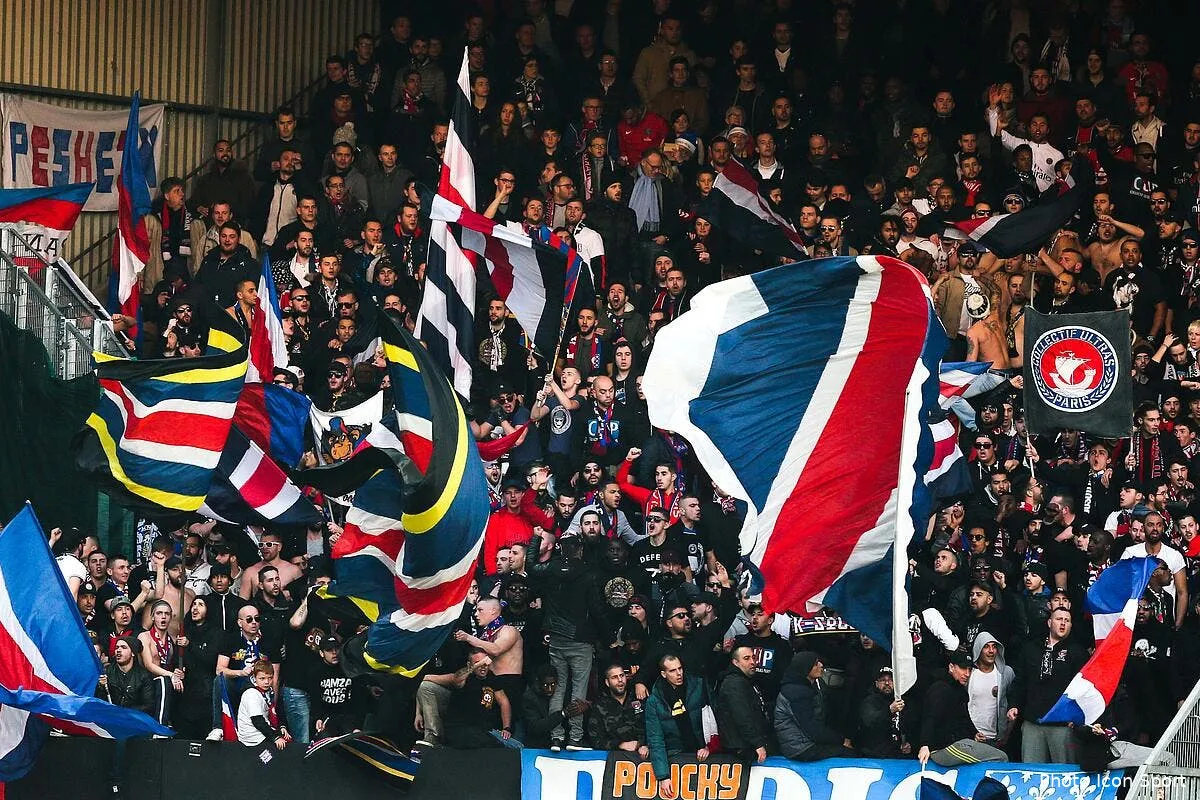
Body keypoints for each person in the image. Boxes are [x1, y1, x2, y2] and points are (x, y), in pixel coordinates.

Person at [645, 655, 709, 797]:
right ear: (663, 674)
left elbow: (713, 717)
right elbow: (655, 739)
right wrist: (663, 776)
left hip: (701, 752)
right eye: (673, 671)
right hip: (674, 754)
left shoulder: (698, 685)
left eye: (680, 668)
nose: (679, 673)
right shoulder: (654, 701)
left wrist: (709, 746)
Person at [774, 651, 855, 761]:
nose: (821, 665)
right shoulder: (796, 693)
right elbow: (812, 729)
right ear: (805, 668)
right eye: (816, 663)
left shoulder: (807, 686)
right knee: (849, 753)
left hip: (804, 742)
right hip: (800, 748)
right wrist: (841, 740)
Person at [715, 646, 770, 764]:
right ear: (736, 662)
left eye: (753, 658)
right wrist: (757, 744)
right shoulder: (734, 683)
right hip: (741, 750)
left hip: (747, 745)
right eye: (746, 658)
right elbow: (742, 716)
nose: (752, 662)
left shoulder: (746, 680)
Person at [586, 663, 648, 755]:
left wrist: (646, 746)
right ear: (607, 682)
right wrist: (620, 745)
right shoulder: (600, 706)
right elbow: (595, 740)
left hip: (643, 755)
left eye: (622, 676)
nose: (620, 680)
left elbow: (655, 728)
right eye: (614, 677)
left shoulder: (639, 698)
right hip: (614, 757)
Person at [237, 660, 290, 750]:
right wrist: (275, 737)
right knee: (285, 747)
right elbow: (258, 721)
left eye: (270, 678)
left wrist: (281, 727)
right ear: (254, 678)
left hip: (262, 731)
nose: (267, 682)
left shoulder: (268, 691)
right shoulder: (252, 693)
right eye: (262, 678)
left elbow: (275, 712)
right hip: (253, 738)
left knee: (288, 739)